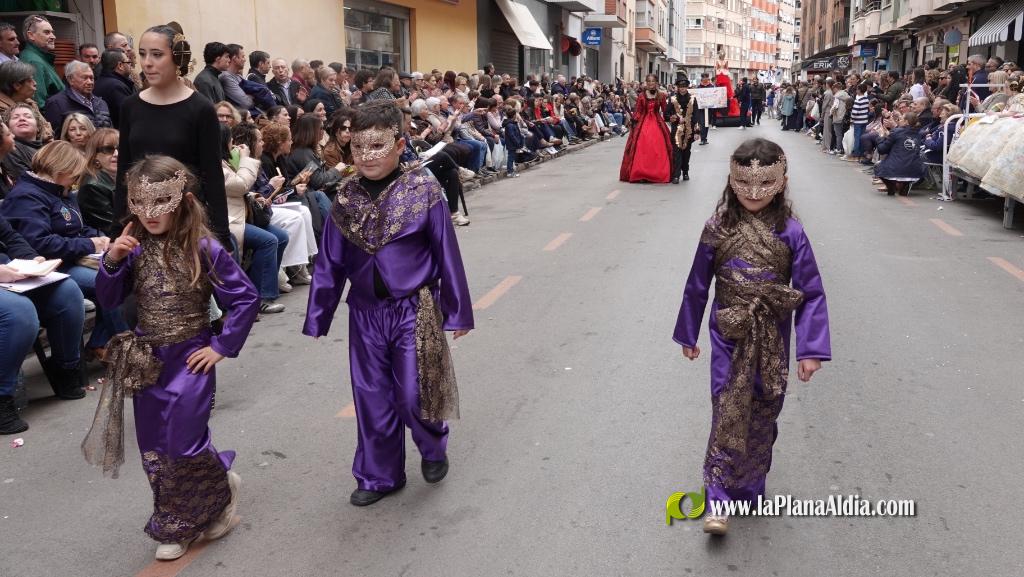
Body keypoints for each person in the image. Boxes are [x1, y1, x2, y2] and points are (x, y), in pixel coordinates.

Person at [84, 155, 259, 561]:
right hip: (149, 362)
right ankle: (178, 517)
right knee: (155, 448)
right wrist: (112, 261)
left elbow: (246, 297)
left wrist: (220, 346)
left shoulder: (203, 246)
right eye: (139, 203)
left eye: (160, 201)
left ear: (180, 200)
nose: (149, 213)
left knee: (184, 443)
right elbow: (108, 300)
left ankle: (197, 508)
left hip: (190, 359)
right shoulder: (132, 247)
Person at [303, 101, 474, 507]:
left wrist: (458, 310)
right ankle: (379, 475)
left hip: (413, 311)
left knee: (414, 394)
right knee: (371, 396)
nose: (366, 156)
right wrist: (318, 314)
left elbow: (446, 253)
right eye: (358, 148)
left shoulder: (425, 190)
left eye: (377, 146)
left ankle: (433, 446)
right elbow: (330, 261)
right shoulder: (345, 197)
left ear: (400, 144)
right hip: (364, 314)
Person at [674, 138, 830, 535]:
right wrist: (688, 333)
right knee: (728, 407)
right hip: (729, 331)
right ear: (732, 180)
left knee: (763, 409)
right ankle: (718, 500)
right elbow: (697, 285)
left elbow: (810, 292)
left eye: (765, 183)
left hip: (773, 337)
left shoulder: (792, 232)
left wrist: (810, 349)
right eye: (745, 183)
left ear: (781, 181)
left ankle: (749, 485)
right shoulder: (717, 227)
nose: (755, 193)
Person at [0, 140, 128, 357]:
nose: (76, 180)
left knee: (123, 274)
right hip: (54, 265)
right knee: (111, 282)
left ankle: (101, 342)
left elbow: (75, 227)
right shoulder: (27, 195)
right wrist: (88, 244)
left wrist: (99, 238)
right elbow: (39, 243)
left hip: (71, 258)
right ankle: (125, 347)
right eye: (74, 174)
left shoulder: (60, 191)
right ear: (61, 170)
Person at [112, 25, 231, 249]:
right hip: (141, 224)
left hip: (186, 223)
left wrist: (220, 235)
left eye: (157, 55)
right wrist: (117, 229)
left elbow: (212, 176)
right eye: (142, 53)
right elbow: (124, 173)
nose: (147, 62)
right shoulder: (130, 106)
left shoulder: (201, 108)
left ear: (178, 57)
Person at [0, 213, 87, 434]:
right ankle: (2, 396)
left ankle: (64, 368)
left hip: (9, 270)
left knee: (67, 293)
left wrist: (31, 260)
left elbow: (10, 236)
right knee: (19, 313)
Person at [219, 124, 285, 313]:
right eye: (231, 142)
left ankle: (264, 286)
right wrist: (246, 159)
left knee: (281, 236)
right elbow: (240, 185)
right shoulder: (216, 164)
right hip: (230, 219)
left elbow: (241, 191)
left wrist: (255, 196)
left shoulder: (226, 162)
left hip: (242, 214)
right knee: (268, 240)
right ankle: (261, 297)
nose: (234, 146)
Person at [619, 74, 671, 183]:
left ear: (656, 82)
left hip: (657, 122)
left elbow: (666, 110)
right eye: (649, 81)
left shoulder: (661, 95)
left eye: (653, 81)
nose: (651, 83)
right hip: (643, 123)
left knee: (658, 147)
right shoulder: (642, 96)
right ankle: (641, 173)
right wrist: (633, 122)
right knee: (642, 147)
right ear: (646, 83)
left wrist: (673, 116)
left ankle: (657, 173)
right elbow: (638, 110)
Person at [874, 111, 925, 196]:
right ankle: (905, 185)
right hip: (916, 170)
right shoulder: (919, 133)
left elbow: (882, 150)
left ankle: (891, 186)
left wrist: (881, 137)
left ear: (906, 122)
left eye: (900, 119)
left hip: (895, 168)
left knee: (877, 166)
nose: (898, 121)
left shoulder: (896, 132)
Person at [18, 15, 64, 109]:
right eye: (47, 32)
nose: (53, 37)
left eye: (52, 32)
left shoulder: (38, 58)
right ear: (31, 35)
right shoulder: (34, 61)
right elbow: (39, 104)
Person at [78, 128, 119, 231]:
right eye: (108, 150)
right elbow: (112, 228)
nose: (116, 154)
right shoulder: (92, 187)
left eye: (120, 148)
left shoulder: (125, 177)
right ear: (95, 155)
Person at [665, 78, 699, 184]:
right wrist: (674, 117)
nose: (682, 89)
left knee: (686, 152)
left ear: (687, 87)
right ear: (678, 88)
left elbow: (696, 115)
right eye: (680, 87)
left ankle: (685, 172)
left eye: (684, 87)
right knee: (677, 152)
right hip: (676, 130)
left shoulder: (693, 99)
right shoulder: (673, 99)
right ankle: (676, 175)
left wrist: (697, 131)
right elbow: (666, 114)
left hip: (689, 130)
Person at [94, 49, 136, 128]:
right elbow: (128, 117)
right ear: (120, 66)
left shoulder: (99, 81)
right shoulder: (117, 87)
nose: (131, 65)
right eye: (128, 62)